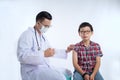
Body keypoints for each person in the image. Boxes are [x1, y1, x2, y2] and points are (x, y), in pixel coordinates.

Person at [17, 11, 72, 80]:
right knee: (61, 78)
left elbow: (50, 51)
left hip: (44, 67)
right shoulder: (27, 35)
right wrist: (43, 54)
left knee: (67, 72)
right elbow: (22, 56)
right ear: (38, 23)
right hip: (31, 71)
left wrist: (66, 51)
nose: (47, 28)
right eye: (46, 26)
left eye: (49, 26)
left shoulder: (43, 37)